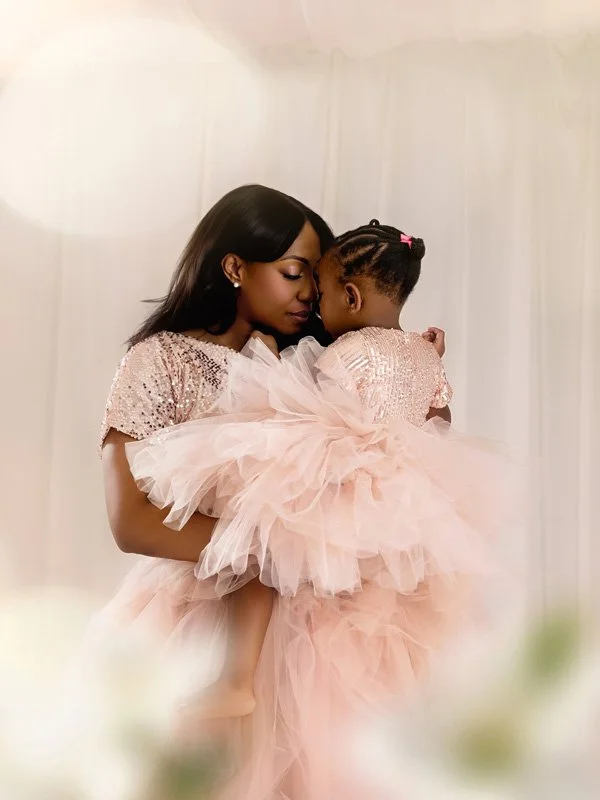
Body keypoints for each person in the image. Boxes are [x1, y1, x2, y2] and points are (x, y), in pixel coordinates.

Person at [96, 192, 448, 795]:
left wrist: (416, 365)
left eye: (318, 276)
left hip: (330, 637)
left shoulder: (326, 356)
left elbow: (403, 459)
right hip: (207, 620)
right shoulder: (160, 361)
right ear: (236, 267)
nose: (310, 292)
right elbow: (130, 521)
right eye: (294, 273)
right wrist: (271, 550)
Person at [127, 218, 516, 750]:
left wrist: (266, 364)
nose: (313, 303)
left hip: (341, 481)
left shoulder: (344, 353)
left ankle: (236, 680)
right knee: (366, 607)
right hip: (400, 503)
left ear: (351, 297)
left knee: (261, 548)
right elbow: (439, 421)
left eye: (323, 291)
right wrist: (420, 372)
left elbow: (309, 408)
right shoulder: (426, 354)